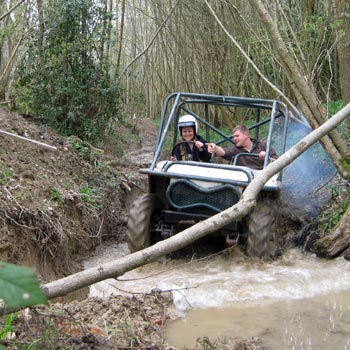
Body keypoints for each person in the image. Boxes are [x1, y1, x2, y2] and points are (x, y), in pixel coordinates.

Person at [207, 125, 277, 170]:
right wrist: (215, 148)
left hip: (263, 178)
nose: (234, 139)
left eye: (237, 136)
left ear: (245, 135)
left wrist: (266, 158)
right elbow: (223, 152)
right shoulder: (235, 150)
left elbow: (278, 163)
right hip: (245, 180)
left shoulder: (263, 145)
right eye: (233, 137)